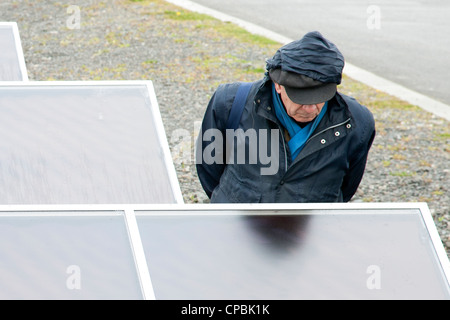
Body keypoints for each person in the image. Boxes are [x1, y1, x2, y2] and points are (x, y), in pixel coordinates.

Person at [196, 31, 376, 203]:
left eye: (321, 97)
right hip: (236, 230)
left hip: (310, 234)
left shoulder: (357, 123)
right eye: (301, 98)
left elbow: (347, 187)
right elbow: (209, 170)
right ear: (278, 85)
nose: (310, 107)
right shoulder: (230, 102)